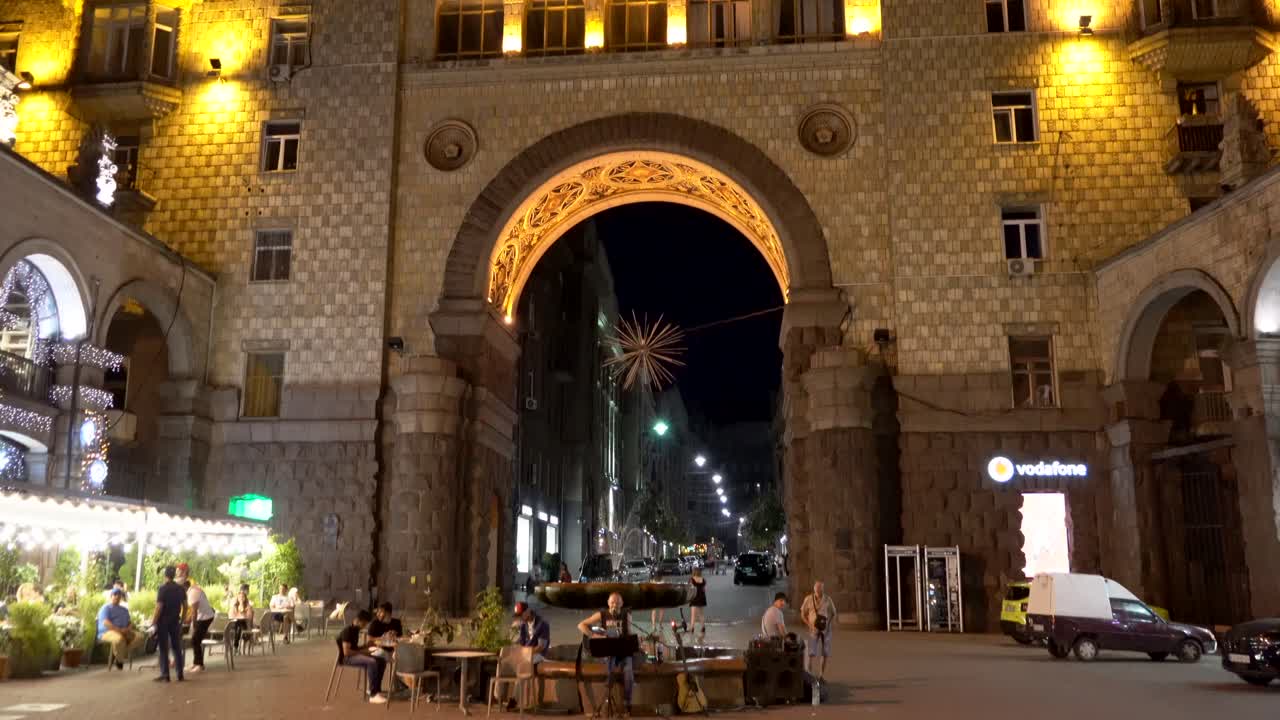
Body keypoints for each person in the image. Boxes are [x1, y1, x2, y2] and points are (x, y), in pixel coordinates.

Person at [578, 592, 635, 719]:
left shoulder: (626, 615)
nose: (615, 605)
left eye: (617, 602)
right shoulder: (602, 614)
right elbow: (581, 625)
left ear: (622, 604)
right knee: (609, 670)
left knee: (629, 672)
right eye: (612, 602)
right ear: (608, 603)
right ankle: (607, 702)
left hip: (624, 651)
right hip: (608, 651)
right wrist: (593, 635)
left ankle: (627, 704)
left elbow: (630, 633)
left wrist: (635, 642)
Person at [339, 609, 388, 704]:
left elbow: (355, 648)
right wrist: (364, 652)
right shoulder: (347, 631)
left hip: (353, 655)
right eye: (364, 624)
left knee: (381, 660)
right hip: (346, 659)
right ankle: (373, 695)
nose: (364, 626)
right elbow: (346, 652)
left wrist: (367, 645)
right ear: (358, 620)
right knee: (371, 661)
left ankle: (376, 689)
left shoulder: (356, 630)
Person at [153, 565, 188, 682]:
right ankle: (180, 674)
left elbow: (159, 607)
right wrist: (182, 620)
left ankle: (165, 674)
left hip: (163, 621)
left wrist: (153, 621)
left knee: (164, 648)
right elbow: (185, 605)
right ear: (174, 575)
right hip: (175, 621)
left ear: (165, 575)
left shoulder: (162, 588)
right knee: (176, 647)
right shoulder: (180, 589)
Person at [800, 581, 837, 684]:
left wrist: (828, 624)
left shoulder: (828, 599)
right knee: (811, 653)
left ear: (823, 590)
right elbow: (803, 613)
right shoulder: (808, 599)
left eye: (820, 591)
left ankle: (821, 676)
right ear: (814, 590)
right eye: (817, 591)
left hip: (826, 630)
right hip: (813, 629)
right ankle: (810, 676)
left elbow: (833, 613)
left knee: (825, 653)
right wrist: (809, 624)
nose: (819, 593)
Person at [97, 588, 142, 668]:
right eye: (115, 595)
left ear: (121, 597)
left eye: (119, 595)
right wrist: (119, 630)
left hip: (124, 631)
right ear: (111, 596)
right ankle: (119, 660)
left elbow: (130, 622)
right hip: (108, 632)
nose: (117, 596)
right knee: (119, 639)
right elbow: (106, 623)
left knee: (139, 637)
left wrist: (128, 629)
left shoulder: (124, 610)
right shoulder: (106, 608)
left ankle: (118, 654)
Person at [185, 576, 216, 673]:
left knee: (195, 639)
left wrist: (193, 626)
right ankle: (196, 663)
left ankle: (199, 665)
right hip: (204, 616)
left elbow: (194, 611)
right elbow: (193, 611)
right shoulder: (193, 590)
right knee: (195, 640)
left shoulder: (193, 593)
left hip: (206, 617)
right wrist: (187, 620)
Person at [229, 584, 254, 652]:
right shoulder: (234, 606)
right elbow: (231, 616)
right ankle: (237, 645)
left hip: (245, 624)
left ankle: (236, 646)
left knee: (239, 625)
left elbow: (249, 617)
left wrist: (242, 605)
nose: (241, 598)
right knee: (238, 624)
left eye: (243, 597)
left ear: (245, 598)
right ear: (237, 598)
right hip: (234, 624)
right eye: (239, 597)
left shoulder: (248, 606)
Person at [689, 568, 708, 639]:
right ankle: (703, 627)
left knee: (693, 615)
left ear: (694, 572)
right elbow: (704, 590)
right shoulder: (703, 579)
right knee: (701, 614)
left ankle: (692, 628)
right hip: (702, 598)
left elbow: (690, 589)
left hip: (694, 598)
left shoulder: (691, 579)